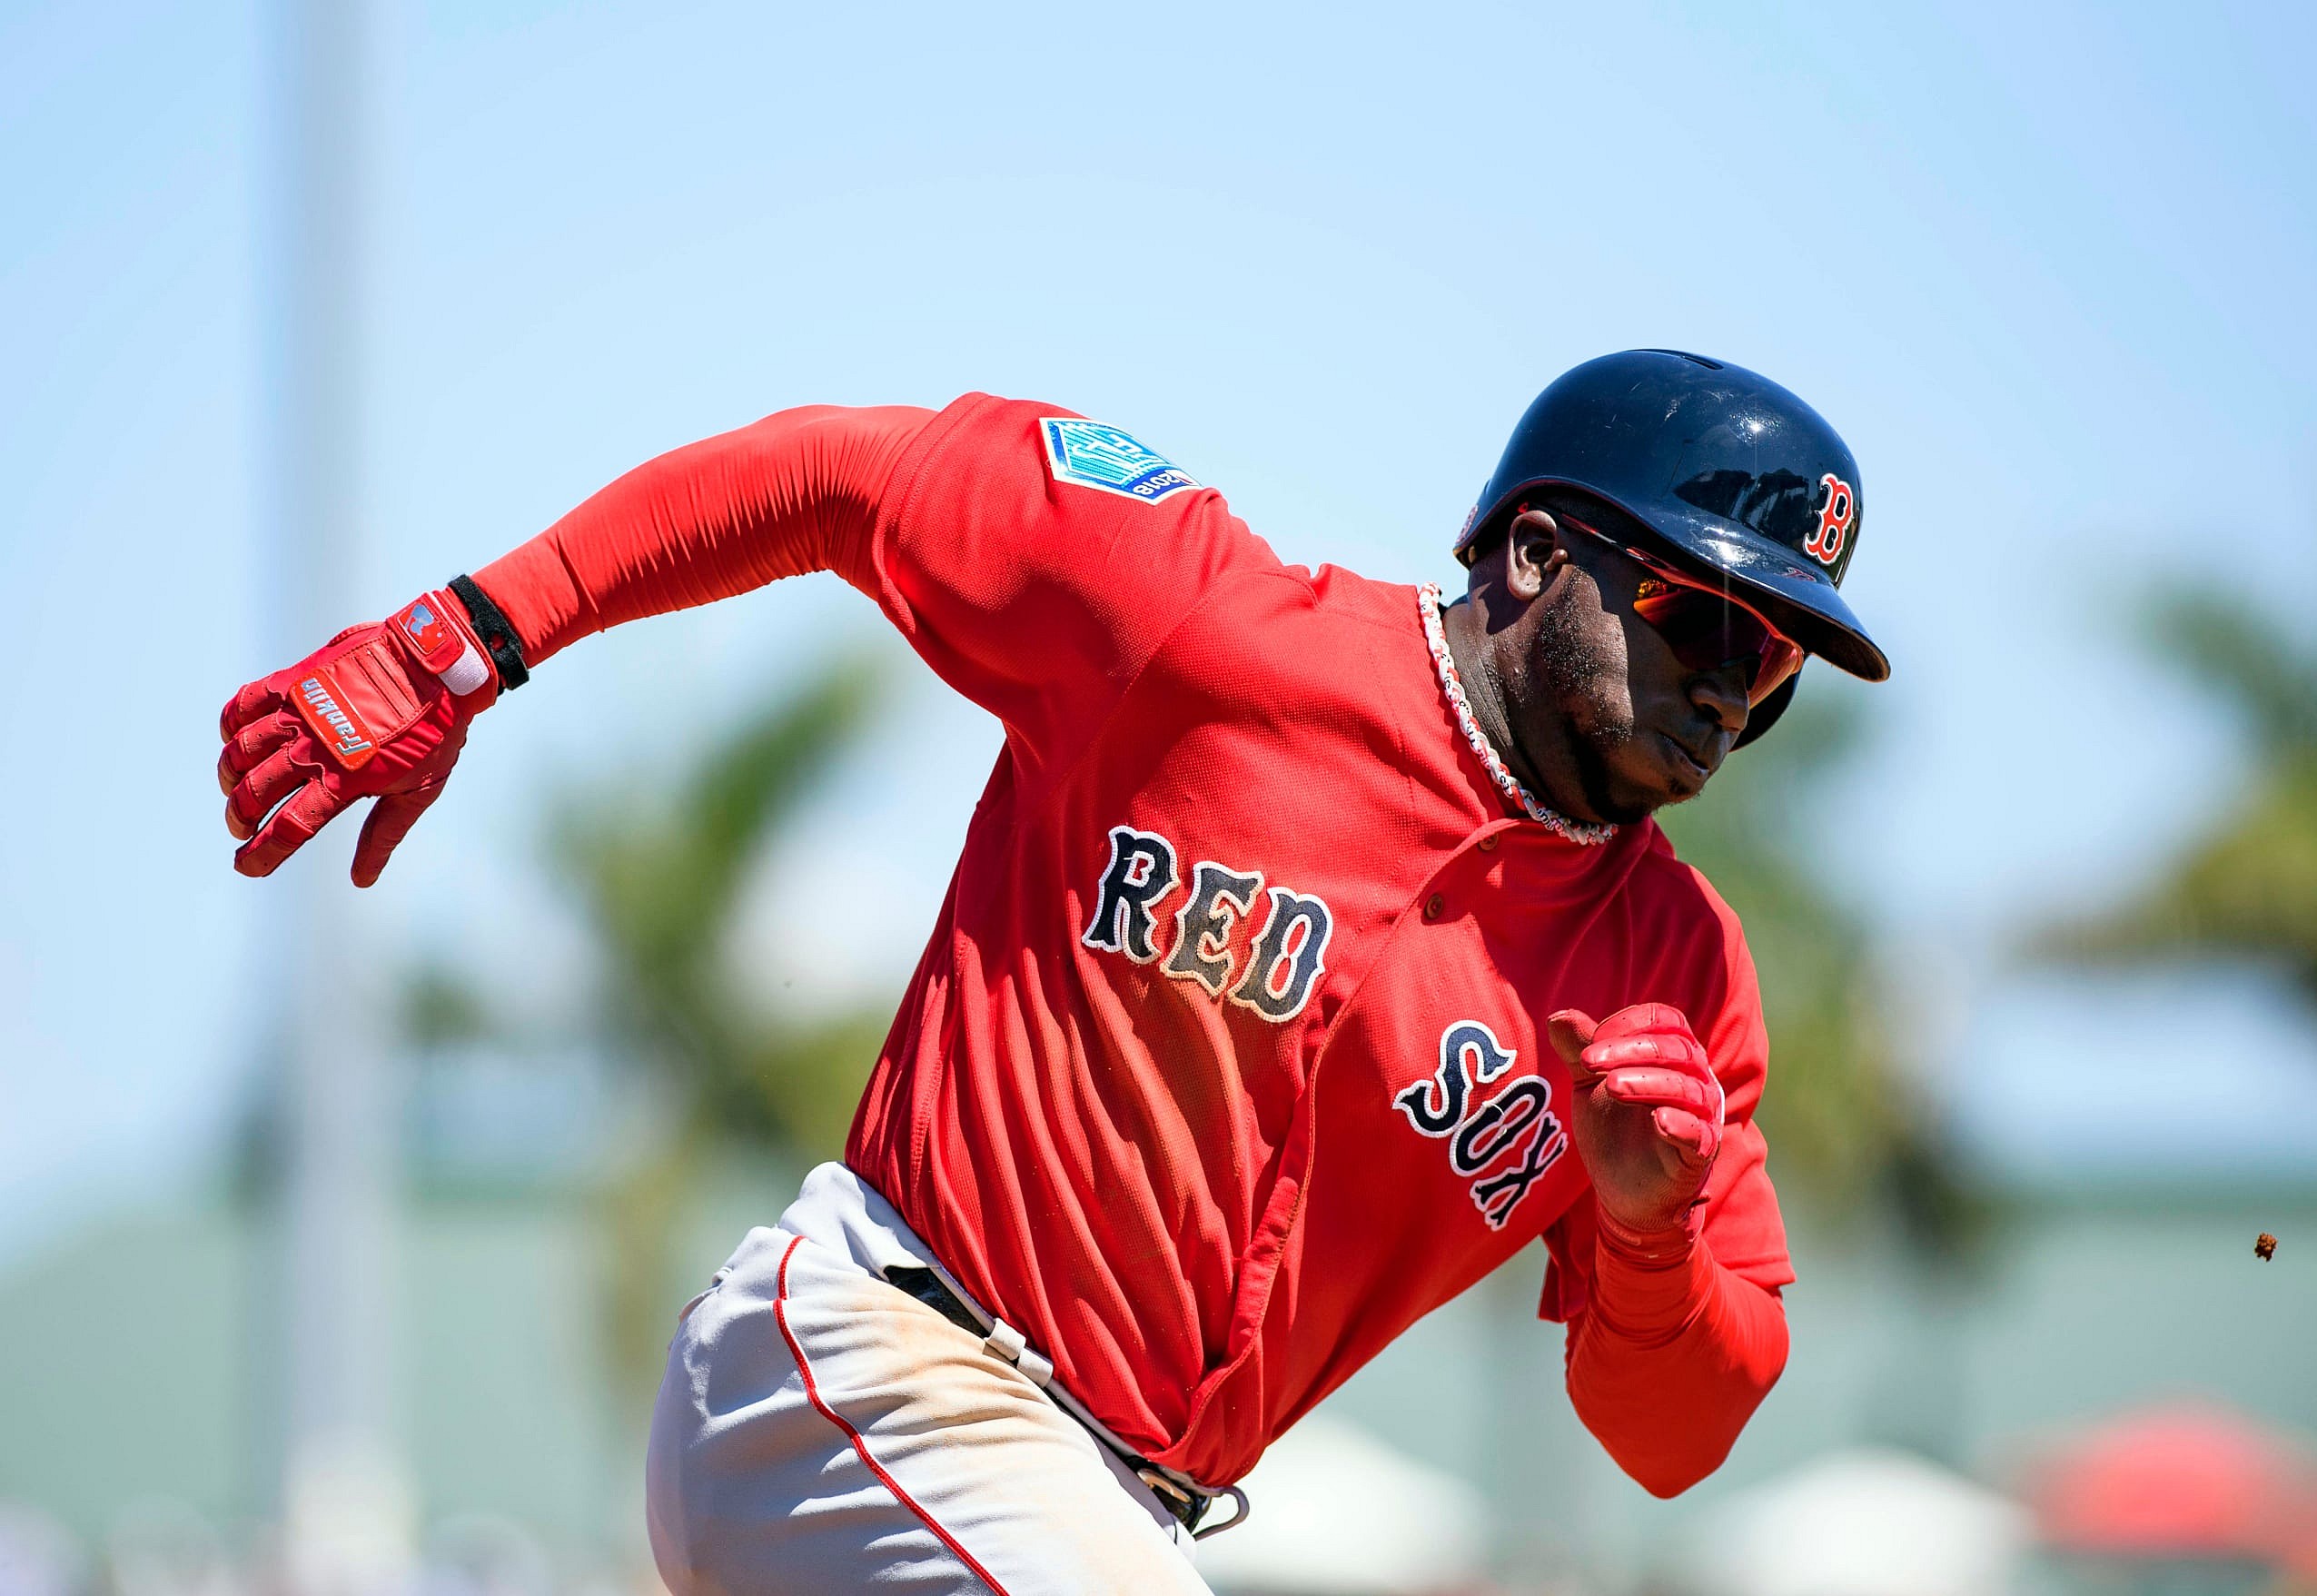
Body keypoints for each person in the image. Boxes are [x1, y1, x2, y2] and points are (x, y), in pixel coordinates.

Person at [217, 349, 1888, 1595]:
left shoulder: (1683, 973)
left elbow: (1674, 1435)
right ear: (1535, 552)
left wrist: (1651, 1237)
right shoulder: (1199, 618)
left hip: (1081, 1517)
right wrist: (467, 638)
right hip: (869, 1363)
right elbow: (837, 475)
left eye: (1779, 665)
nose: (1736, 691)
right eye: (1708, 620)